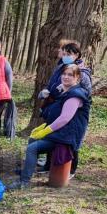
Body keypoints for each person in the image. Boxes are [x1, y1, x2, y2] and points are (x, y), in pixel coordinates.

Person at [8, 64, 91, 189]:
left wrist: (47, 130)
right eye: (64, 74)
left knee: (32, 148)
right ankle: (28, 171)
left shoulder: (75, 95)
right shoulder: (66, 91)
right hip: (60, 132)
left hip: (66, 136)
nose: (66, 77)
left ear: (77, 77)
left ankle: (24, 182)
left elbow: (65, 118)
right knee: (32, 140)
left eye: (70, 75)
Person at [38, 40, 92, 176]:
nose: (65, 56)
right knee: (53, 136)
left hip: (75, 111)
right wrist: (49, 92)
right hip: (57, 106)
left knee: (73, 140)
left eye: (69, 54)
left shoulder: (82, 73)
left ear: (77, 55)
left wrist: (67, 92)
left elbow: (85, 93)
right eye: (65, 53)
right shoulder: (61, 67)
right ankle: (48, 165)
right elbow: (53, 84)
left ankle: (71, 170)